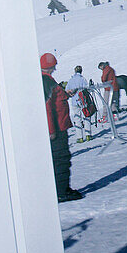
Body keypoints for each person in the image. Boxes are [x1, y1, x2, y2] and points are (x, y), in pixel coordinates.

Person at [40, 54, 82, 201]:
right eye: (54, 65)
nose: (55, 68)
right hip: (57, 128)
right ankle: (61, 192)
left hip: (59, 126)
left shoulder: (46, 80)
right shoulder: (46, 81)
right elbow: (47, 107)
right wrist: (51, 131)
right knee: (61, 158)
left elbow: (54, 99)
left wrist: (66, 94)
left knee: (60, 159)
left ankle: (61, 189)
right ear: (50, 66)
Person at [67, 64, 94, 141]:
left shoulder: (71, 80)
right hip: (83, 100)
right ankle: (88, 134)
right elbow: (87, 88)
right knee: (86, 116)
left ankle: (80, 137)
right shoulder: (83, 79)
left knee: (77, 118)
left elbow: (67, 90)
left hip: (74, 101)